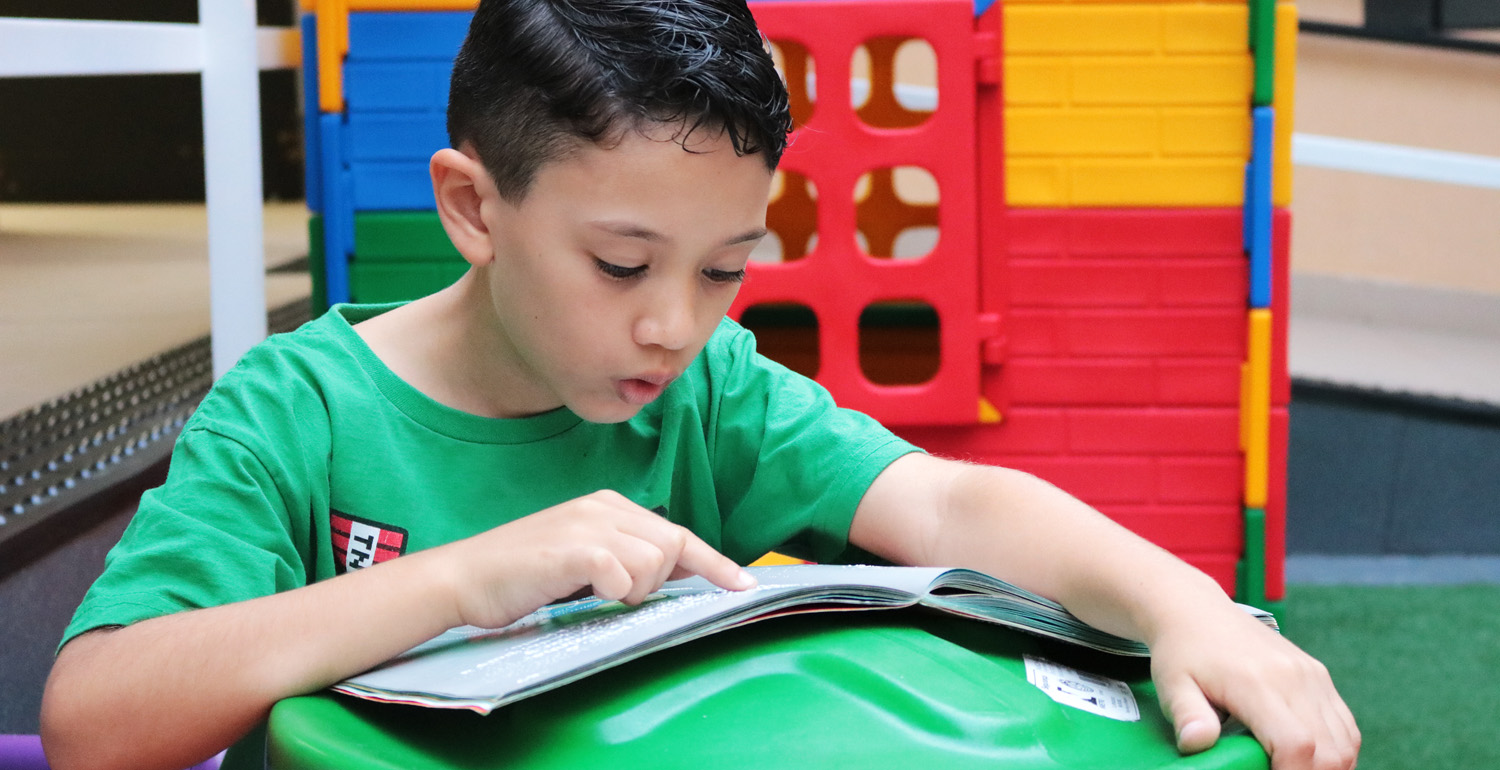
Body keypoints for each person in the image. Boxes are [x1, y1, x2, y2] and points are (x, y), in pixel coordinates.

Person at [40, 0, 1360, 768]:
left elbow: (948, 507)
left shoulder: (707, 390)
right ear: (472, 206)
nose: (674, 323)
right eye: (621, 263)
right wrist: (459, 578)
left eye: (726, 268)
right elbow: (94, 718)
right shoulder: (300, 409)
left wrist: (1189, 602)